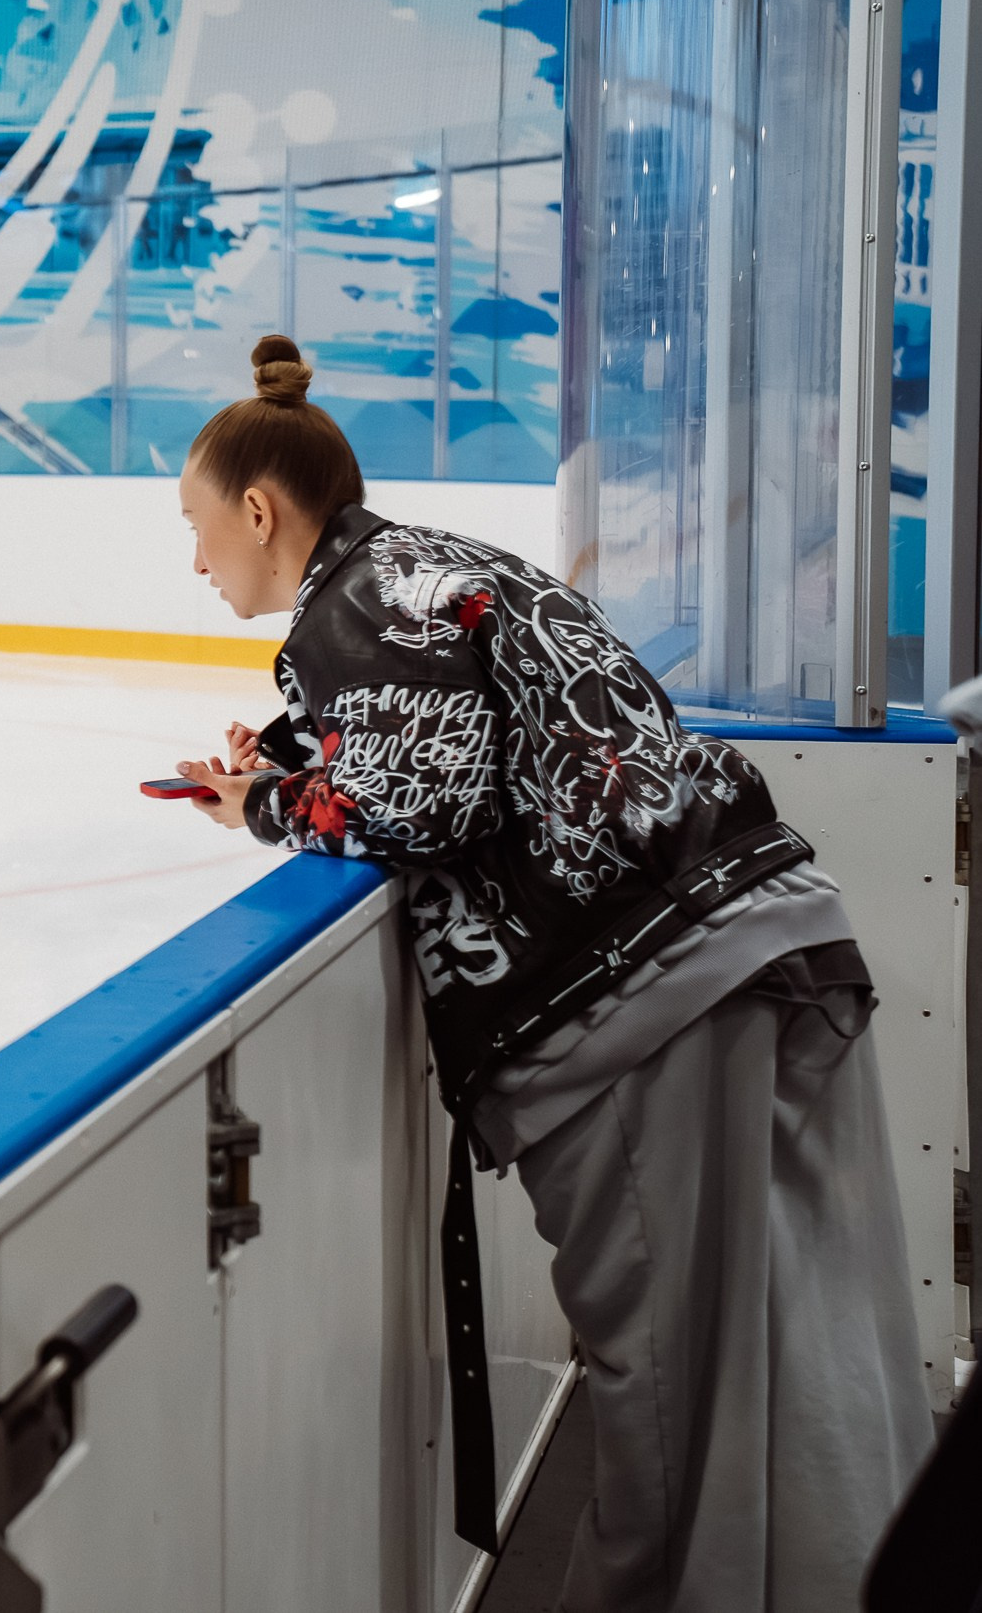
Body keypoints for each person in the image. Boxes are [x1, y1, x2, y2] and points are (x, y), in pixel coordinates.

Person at [172, 336, 934, 1609]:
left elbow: (425, 798)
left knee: (668, 1375)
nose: (197, 561)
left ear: (259, 510)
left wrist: (270, 806)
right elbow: (481, 713)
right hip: (757, 926)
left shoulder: (350, 606)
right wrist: (304, 757)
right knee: (803, 1336)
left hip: (649, 993)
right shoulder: (432, 564)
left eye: (199, 529)